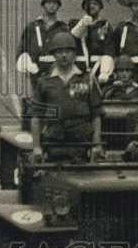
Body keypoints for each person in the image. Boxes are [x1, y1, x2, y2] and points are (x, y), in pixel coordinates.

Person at [30, 31, 103, 163]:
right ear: (54, 55)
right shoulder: (44, 81)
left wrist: (96, 144)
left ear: (74, 54)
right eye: (59, 52)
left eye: (68, 51)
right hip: (53, 142)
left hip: (82, 142)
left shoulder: (87, 79)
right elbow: (36, 117)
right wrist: (36, 147)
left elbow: (96, 114)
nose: (64, 55)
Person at [16, 0, 70, 129]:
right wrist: (27, 63)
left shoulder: (63, 28)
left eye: (55, 3)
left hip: (58, 70)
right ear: (43, 5)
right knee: (39, 102)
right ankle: (38, 129)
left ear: (58, 6)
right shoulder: (32, 27)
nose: (52, 6)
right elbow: (22, 49)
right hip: (37, 72)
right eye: (48, 3)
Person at [70, 0, 115, 84]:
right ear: (84, 7)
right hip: (79, 69)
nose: (91, 6)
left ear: (100, 7)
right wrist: (82, 25)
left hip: (99, 68)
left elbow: (109, 49)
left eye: (95, 4)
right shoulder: (74, 23)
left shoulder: (105, 25)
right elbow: (70, 42)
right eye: (88, 4)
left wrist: (105, 71)